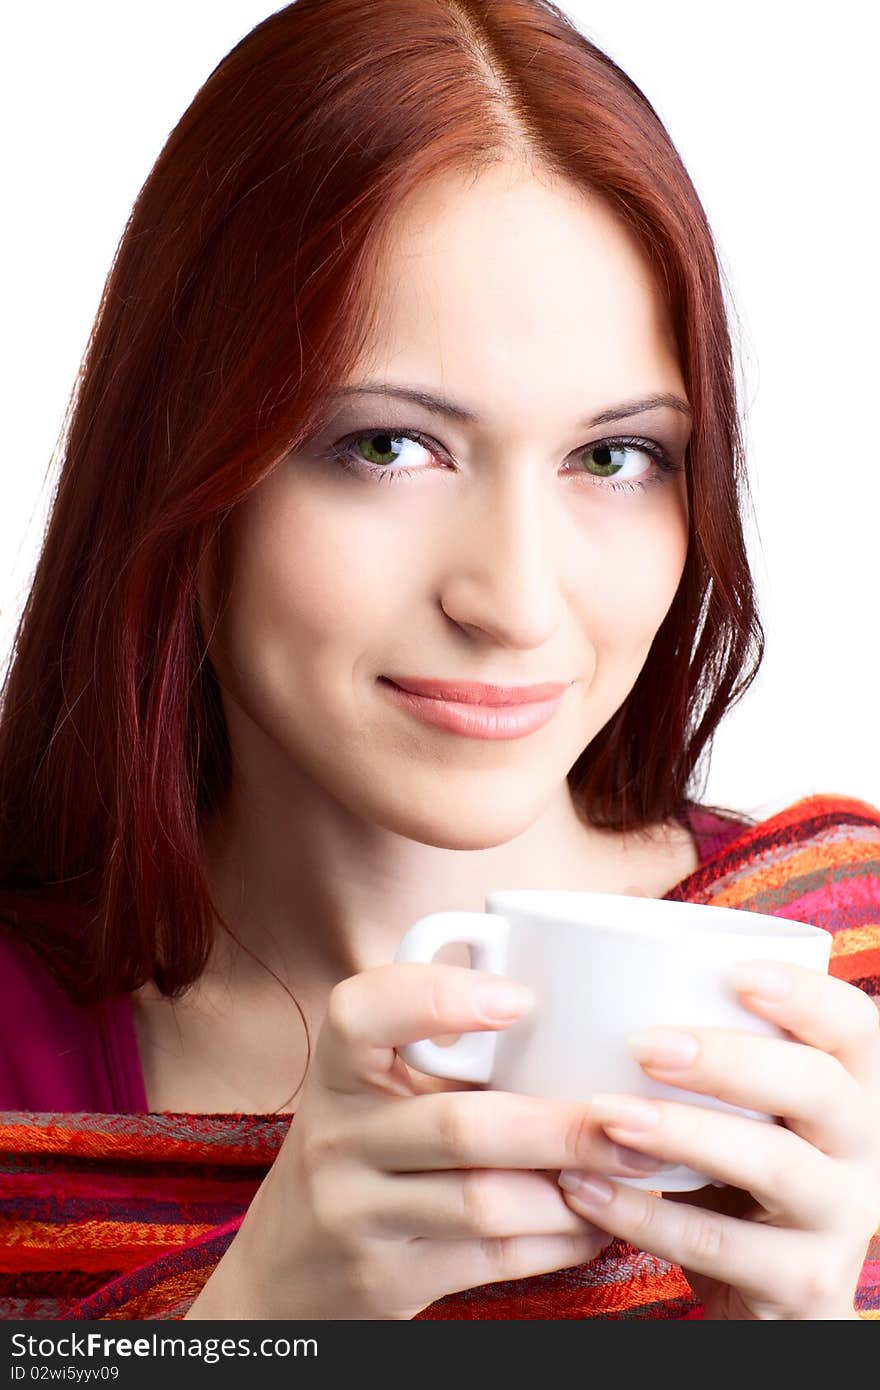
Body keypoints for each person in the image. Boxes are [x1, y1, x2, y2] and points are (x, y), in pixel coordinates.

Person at [0, 0, 877, 1322]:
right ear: (182, 462)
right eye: (388, 446)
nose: (515, 600)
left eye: (614, 455)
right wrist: (261, 1320)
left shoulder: (846, 960)